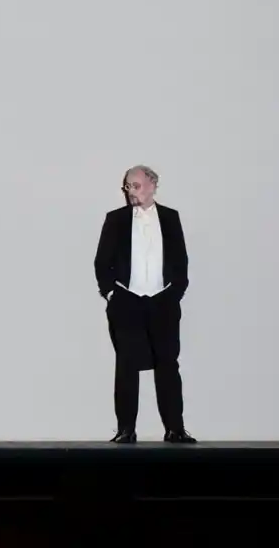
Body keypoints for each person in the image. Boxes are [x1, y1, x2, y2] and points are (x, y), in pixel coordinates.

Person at [93, 165, 196, 444]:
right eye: (128, 187)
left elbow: (180, 260)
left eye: (136, 186)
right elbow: (102, 261)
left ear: (152, 184)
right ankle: (125, 429)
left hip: (163, 301)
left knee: (167, 364)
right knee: (126, 364)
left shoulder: (170, 218)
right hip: (127, 301)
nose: (131, 192)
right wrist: (112, 294)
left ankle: (175, 428)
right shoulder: (115, 219)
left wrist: (175, 293)